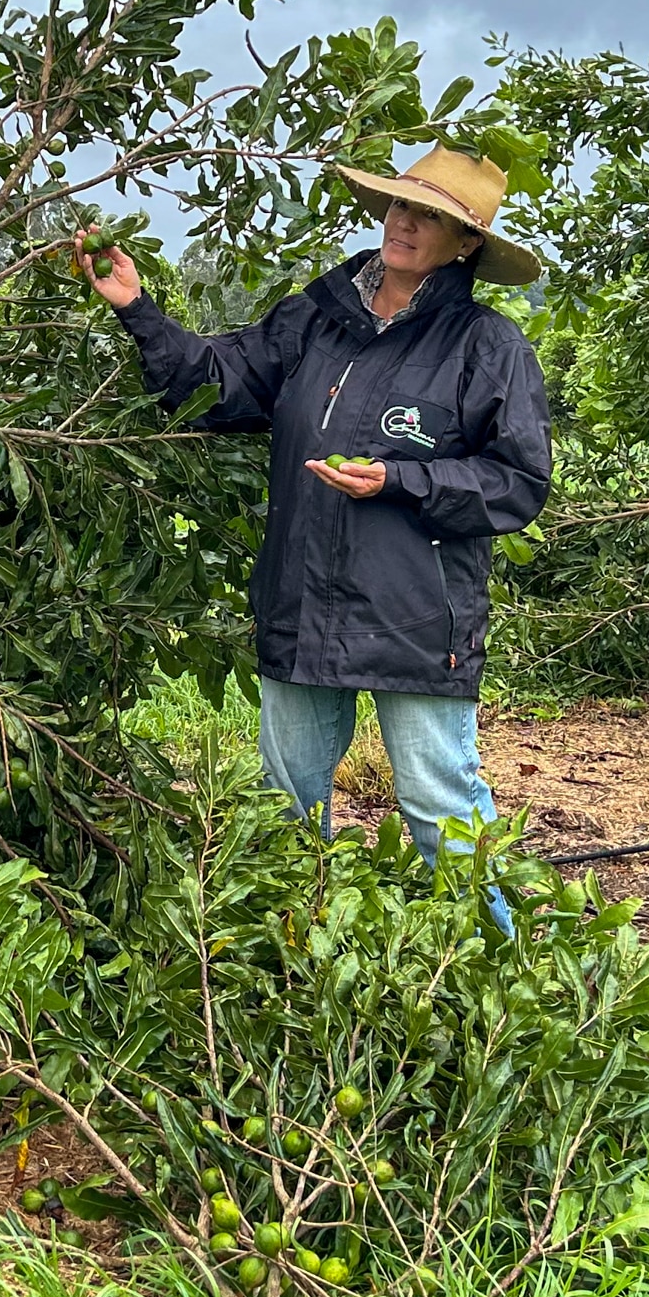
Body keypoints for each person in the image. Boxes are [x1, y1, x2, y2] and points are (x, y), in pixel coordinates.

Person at [81, 145, 551, 864]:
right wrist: (137, 309)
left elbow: (517, 481)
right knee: (285, 806)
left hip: (418, 622)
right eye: (402, 205)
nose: (406, 223)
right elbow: (216, 384)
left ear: (467, 244)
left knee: (439, 812)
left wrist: (402, 482)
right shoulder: (314, 320)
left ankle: (498, 960)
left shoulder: (488, 346)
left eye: (432, 217)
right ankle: (296, 960)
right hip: (301, 605)